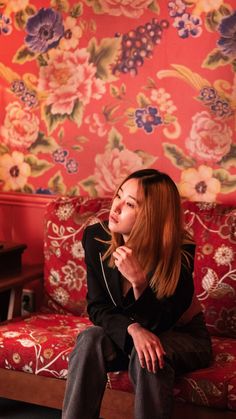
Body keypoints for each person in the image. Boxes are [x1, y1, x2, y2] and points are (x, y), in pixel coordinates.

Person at [62, 168, 212, 419]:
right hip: (133, 330)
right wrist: (133, 330)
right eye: (118, 196)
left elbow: (161, 322)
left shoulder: (180, 252)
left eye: (129, 204)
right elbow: (98, 307)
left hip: (182, 334)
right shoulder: (95, 238)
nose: (116, 207)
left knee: (149, 354)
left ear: (151, 216)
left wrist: (139, 283)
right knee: (90, 338)